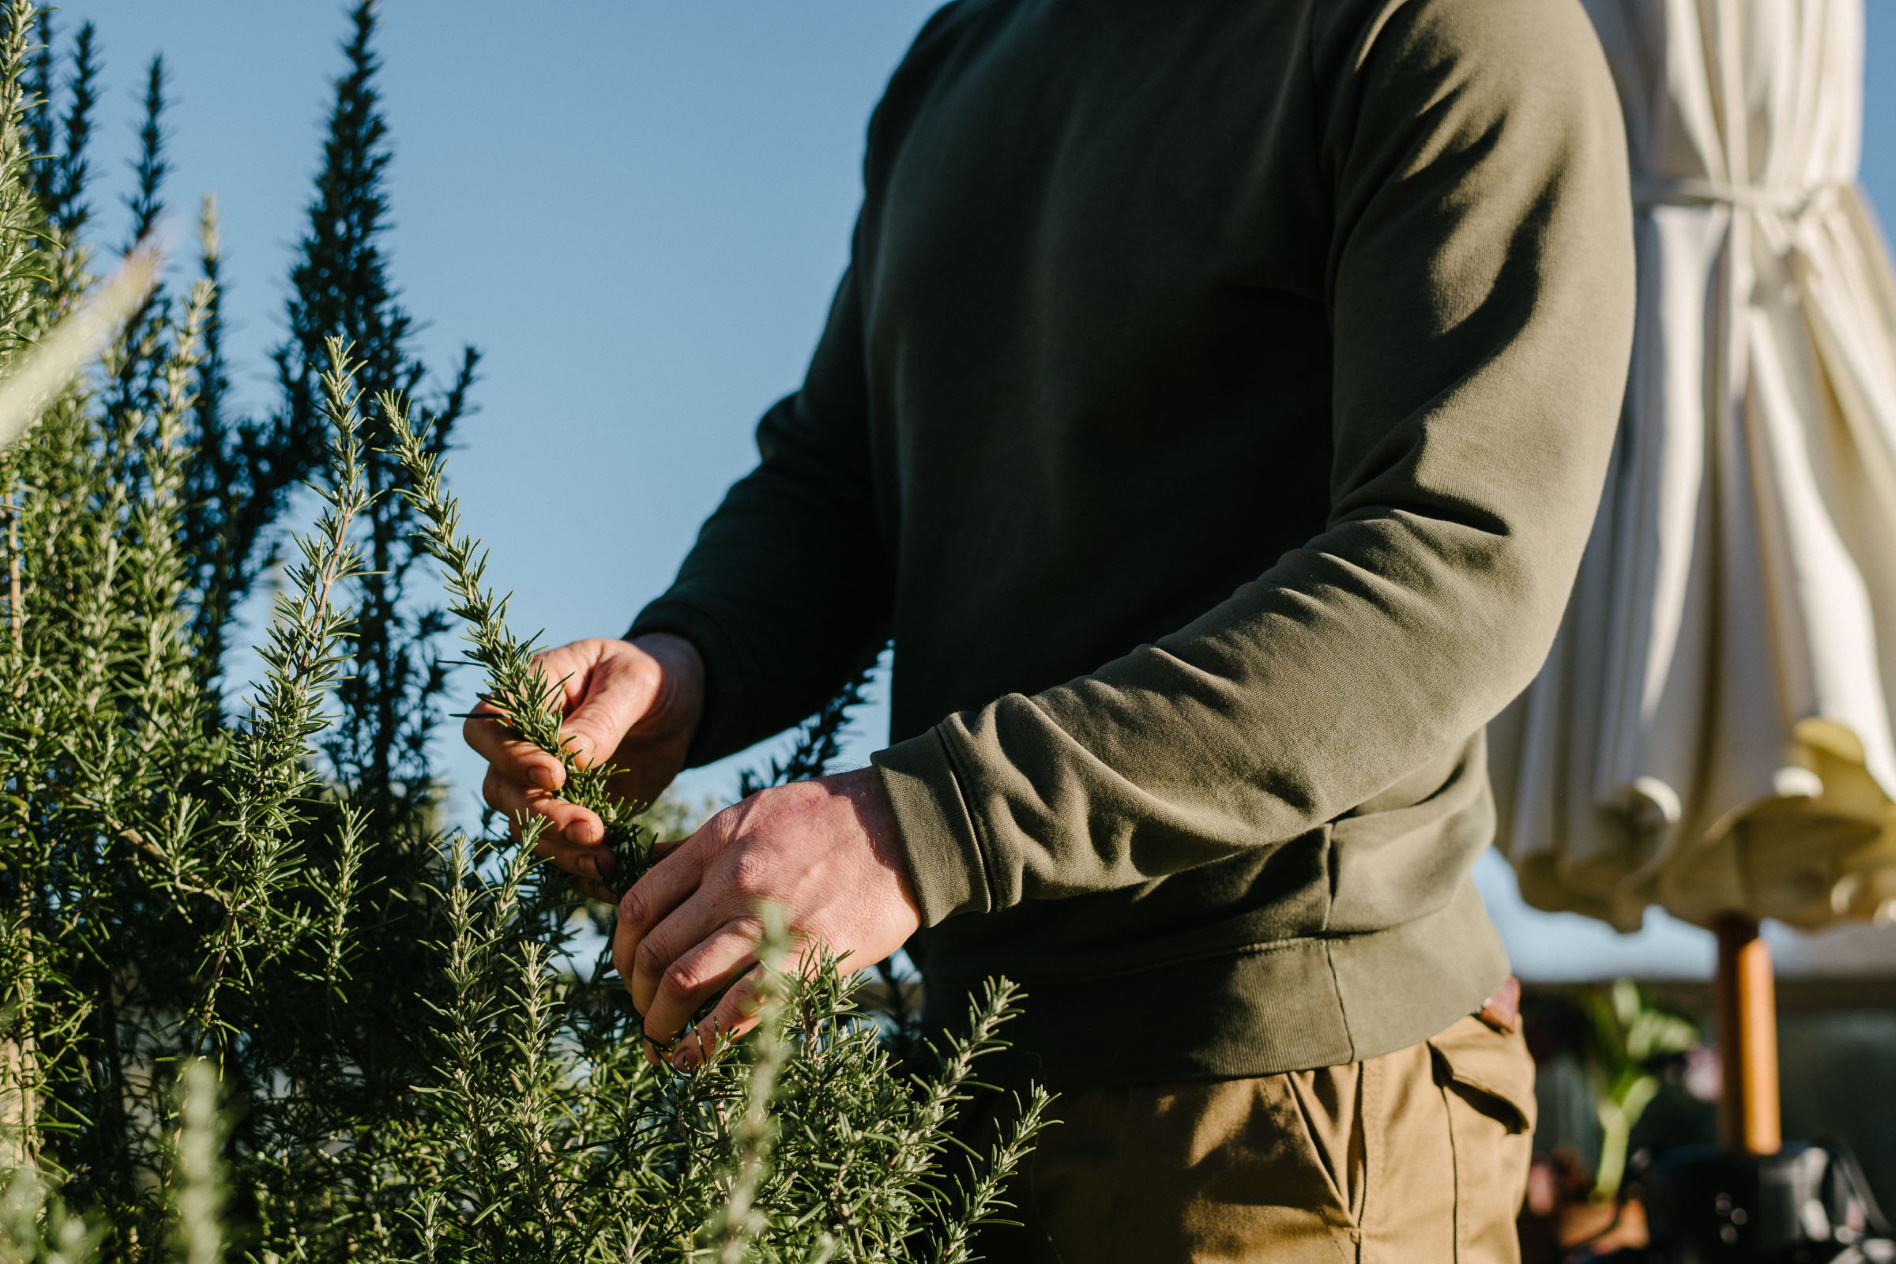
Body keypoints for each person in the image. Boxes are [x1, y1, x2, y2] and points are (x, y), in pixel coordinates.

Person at [468, 0, 1635, 1257]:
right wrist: (692, 662)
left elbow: (1451, 573)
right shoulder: (964, 53)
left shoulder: (1441, 27)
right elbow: (838, 475)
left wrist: (922, 824)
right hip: (954, 1109)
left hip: (1282, 1105)